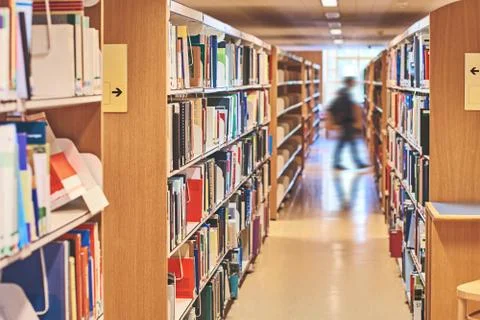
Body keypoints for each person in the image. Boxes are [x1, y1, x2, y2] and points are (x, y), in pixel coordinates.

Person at [328, 76, 368, 170]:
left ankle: (338, 163)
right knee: (348, 144)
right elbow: (342, 107)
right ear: (349, 83)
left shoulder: (345, 92)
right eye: (353, 82)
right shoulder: (345, 93)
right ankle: (356, 163)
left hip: (346, 122)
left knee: (344, 144)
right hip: (346, 122)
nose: (354, 83)